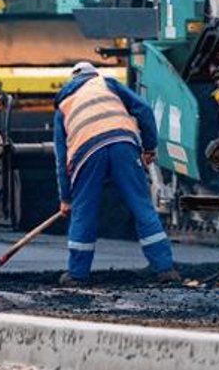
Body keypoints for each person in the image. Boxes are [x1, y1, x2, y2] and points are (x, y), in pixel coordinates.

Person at [53, 62, 179, 285]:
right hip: (123, 143)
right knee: (142, 207)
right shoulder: (107, 84)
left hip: (86, 152)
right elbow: (144, 110)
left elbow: (61, 157)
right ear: (94, 75)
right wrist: (149, 147)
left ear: (72, 81)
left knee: (84, 212)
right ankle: (165, 268)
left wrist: (66, 198)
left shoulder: (64, 103)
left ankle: (77, 274)